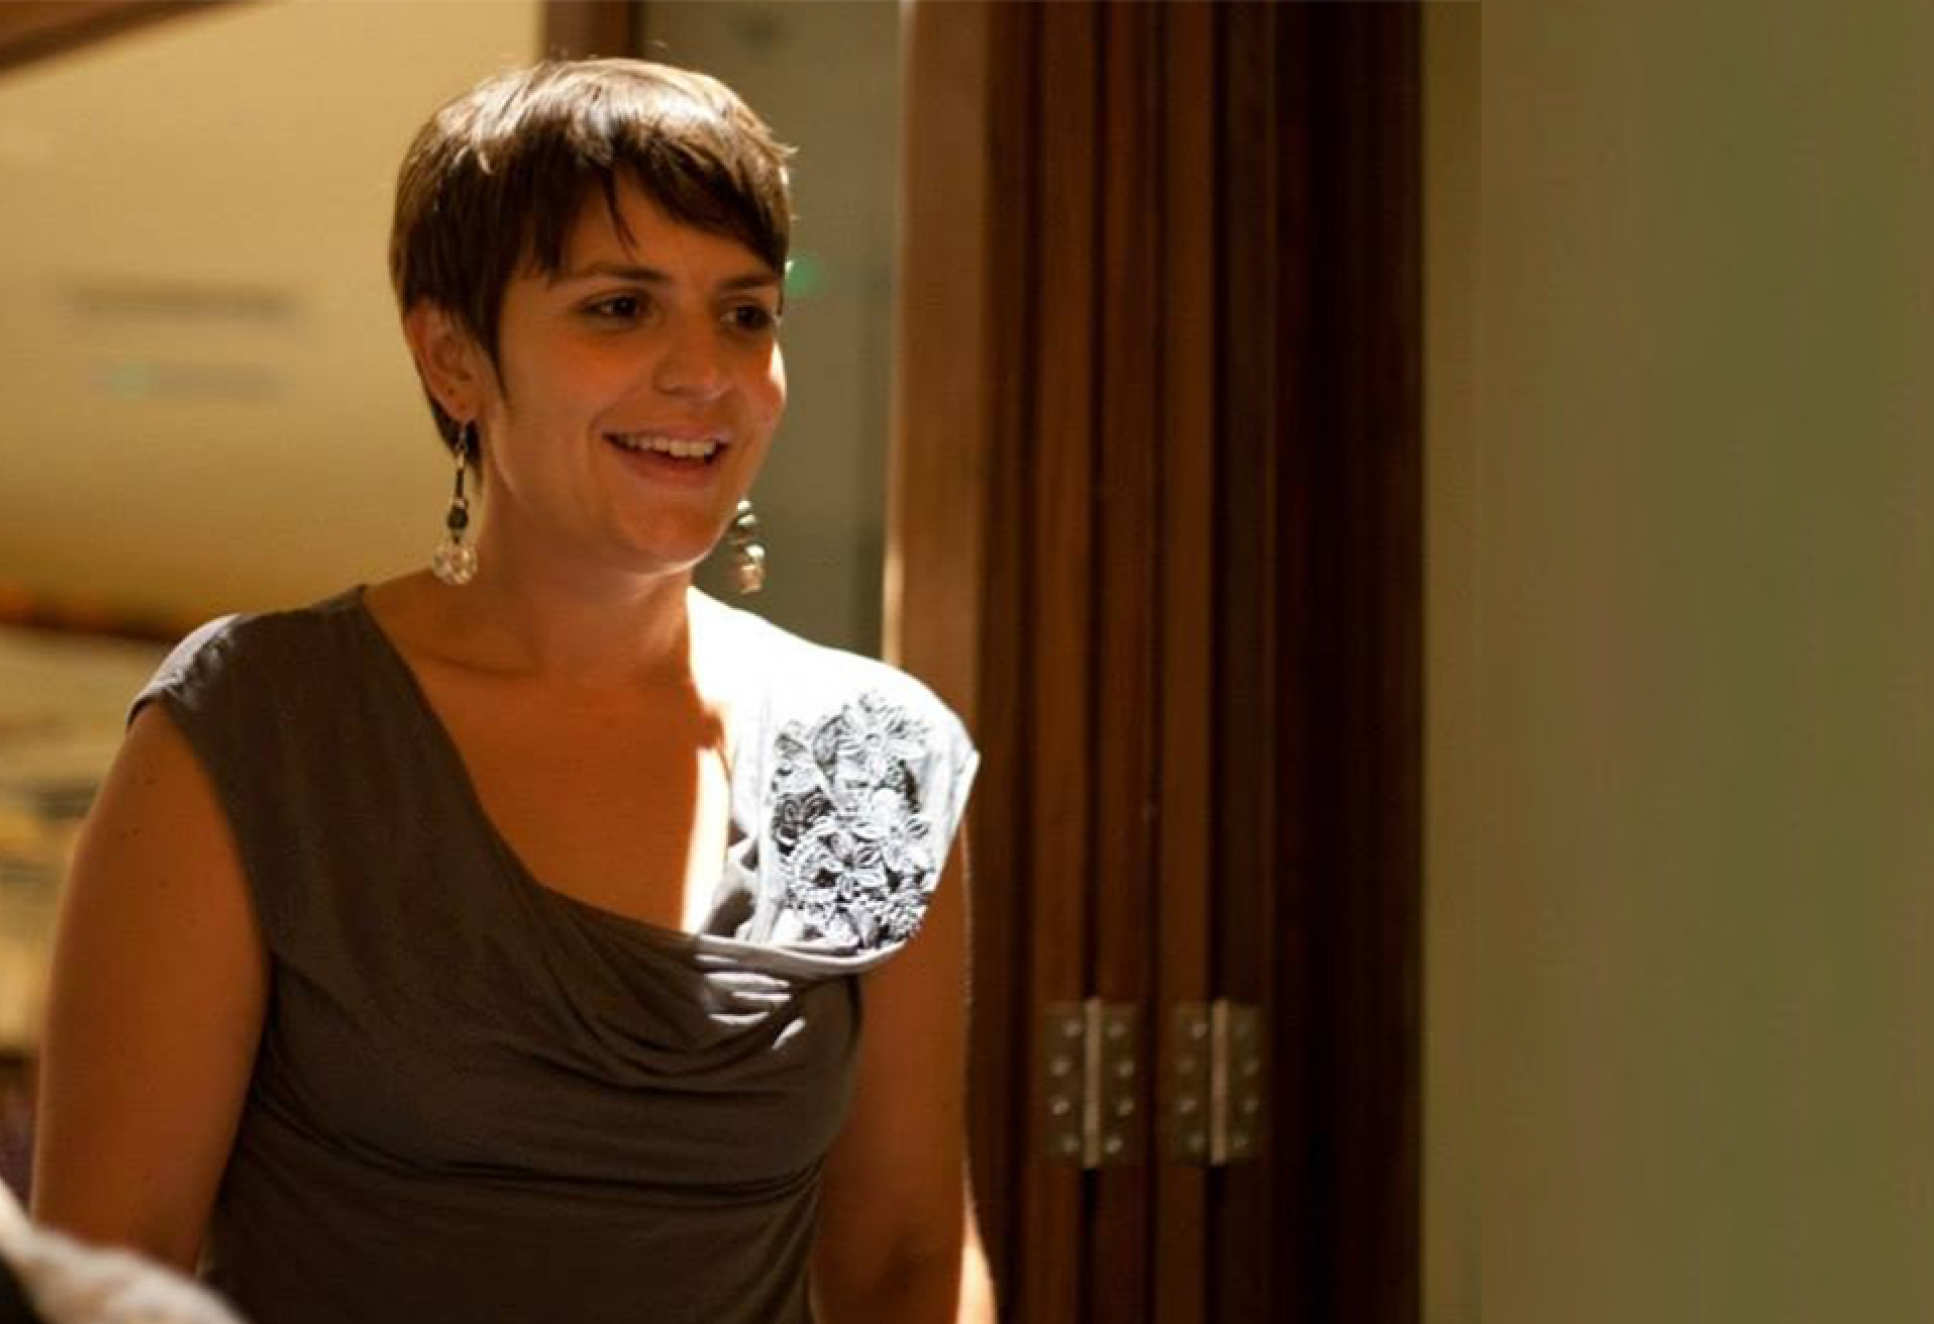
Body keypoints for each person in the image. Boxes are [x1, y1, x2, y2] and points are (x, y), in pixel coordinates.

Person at [29, 59, 992, 1323]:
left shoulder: (876, 751)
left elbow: (910, 1259)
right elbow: (109, 1266)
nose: (703, 371)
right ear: (452, 358)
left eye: (745, 313)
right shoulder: (259, 723)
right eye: (619, 308)